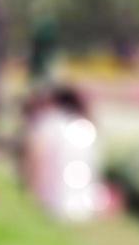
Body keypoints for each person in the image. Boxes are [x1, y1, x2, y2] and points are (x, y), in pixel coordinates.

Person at [21, 85, 111, 223]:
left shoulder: (49, 123)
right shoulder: (87, 127)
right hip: (87, 207)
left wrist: (30, 194)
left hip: (56, 205)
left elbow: (36, 161)